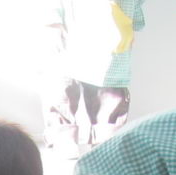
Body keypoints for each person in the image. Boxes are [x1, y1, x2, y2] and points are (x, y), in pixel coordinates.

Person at [40, 0, 145, 156]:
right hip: (71, 29)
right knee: (63, 86)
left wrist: (131, 25)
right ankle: (63, 135)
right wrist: (53, 22)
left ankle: (107, 137)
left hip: (112, 30)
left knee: (109, 89)